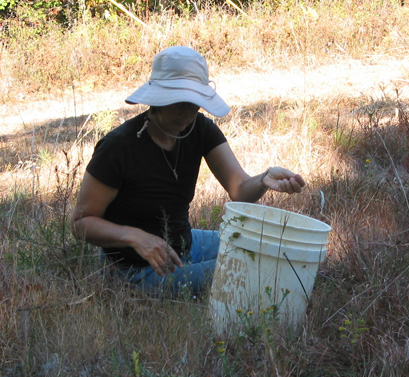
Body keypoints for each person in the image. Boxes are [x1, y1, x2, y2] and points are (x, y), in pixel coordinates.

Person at [71, 46, 305, 296]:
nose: (186, 112)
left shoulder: (201, 129)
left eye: (194, 104)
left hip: (185, 246)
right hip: (134, 270)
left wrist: (263, 179)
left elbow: (239, 190)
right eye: (178, 102)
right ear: (157, 98)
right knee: (252, 265)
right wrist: (136, 237)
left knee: (271, 249)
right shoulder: (118, 147)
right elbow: (81, 223)